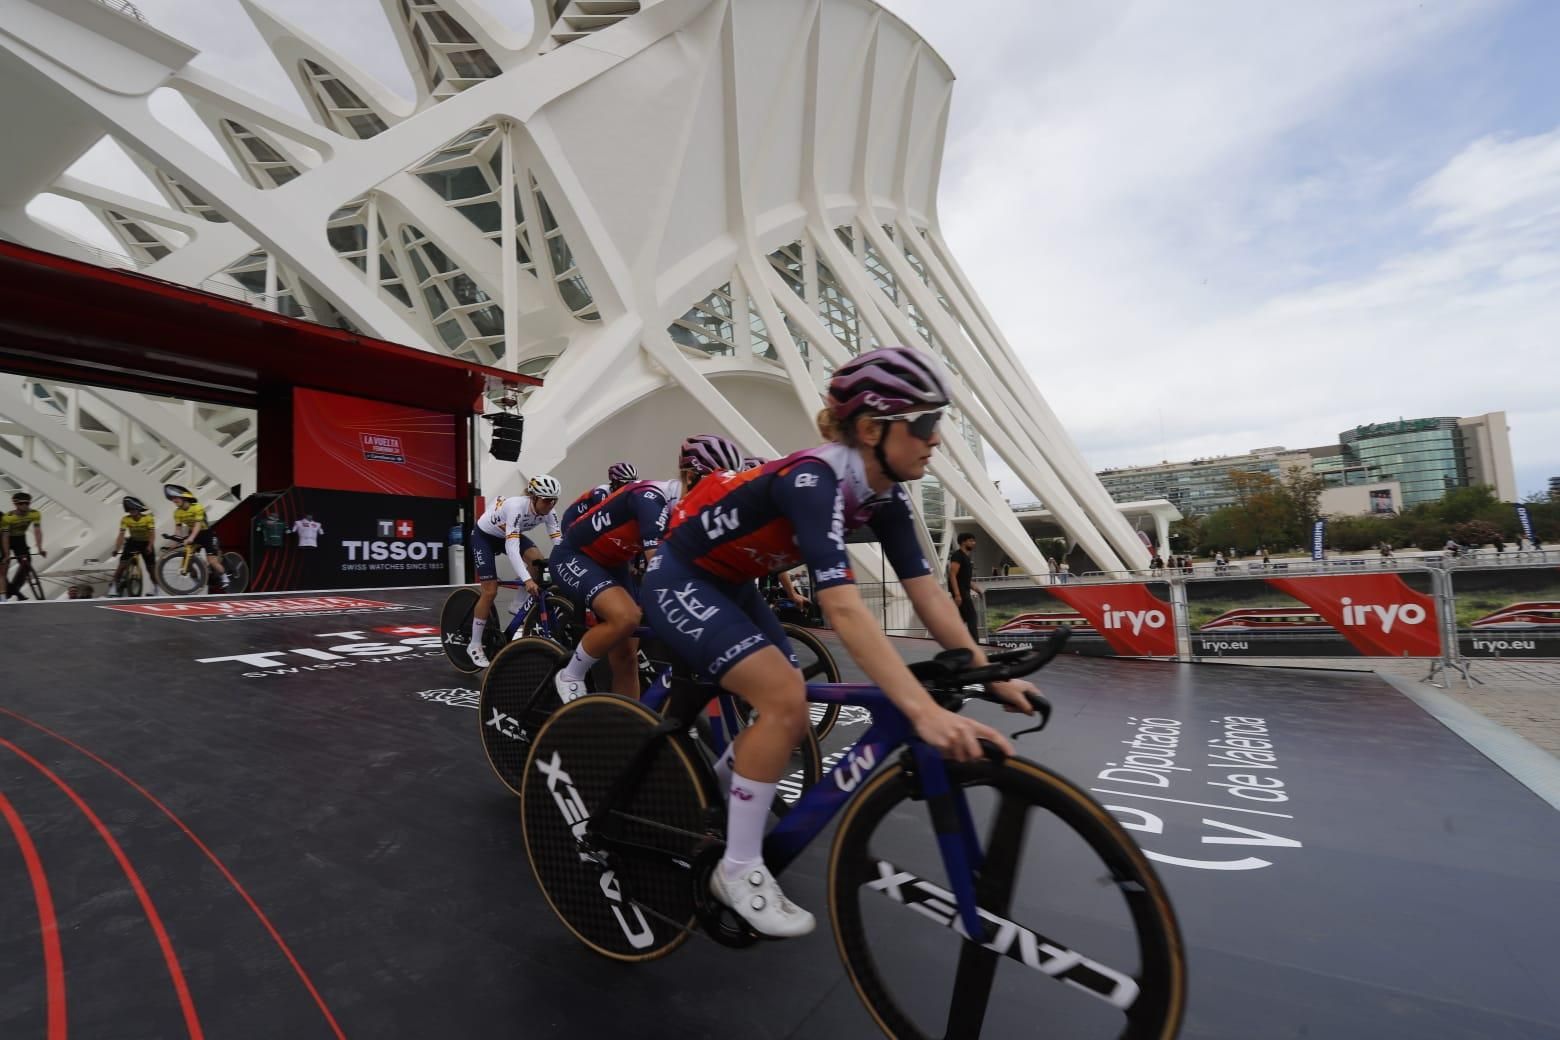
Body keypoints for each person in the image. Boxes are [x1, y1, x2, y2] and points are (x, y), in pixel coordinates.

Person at [642, 346, 1039, 938]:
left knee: (786, 695)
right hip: (682, 575)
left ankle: (726, 782)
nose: (937, 439)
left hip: (734, 582)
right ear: (873, 428)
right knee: (783, 698)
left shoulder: (885, 496)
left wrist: (991, 673)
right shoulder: (815, 478)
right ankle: (738, 867)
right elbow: (844, 609)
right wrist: (920, 709)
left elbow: (928, 595)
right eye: (926, 423)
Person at [551, 436, 741, 700]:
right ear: (688, 477)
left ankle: (627, 726)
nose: (718, 497)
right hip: (575, 556)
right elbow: (660, 565)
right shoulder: (651, 497)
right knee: (626, 616)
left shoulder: (692, 512)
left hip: (614, 564)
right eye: (713, 486)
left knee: (627, 657)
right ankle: (570, 674)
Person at [467, 474, 562, 668]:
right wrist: (527, 580)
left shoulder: (550, 513)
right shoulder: (516, 506)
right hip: (484, 536)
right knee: (490, 591)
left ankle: (518, 604)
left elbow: (560, 544)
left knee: (538, 562)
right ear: (534, 497)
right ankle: (474, 644)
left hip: (509, 535)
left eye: (554, 500)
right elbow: (511, 549)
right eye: (546, 500)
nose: (550, 505)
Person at [166, 485, 231, 592]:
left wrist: (191, 538)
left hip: (206, 534)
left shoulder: (197, 507)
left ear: (184, 498)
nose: (174, 500)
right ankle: (198, 582)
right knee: (187, 561)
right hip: (193, 534)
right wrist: (173, 543)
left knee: (212, 561)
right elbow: (178, 530)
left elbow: (198, 525)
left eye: (176, 498)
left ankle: (225, 577)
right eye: (172, 499)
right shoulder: (177, 513)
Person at [560, 462, 639, 534]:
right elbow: (606, 515)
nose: (629, 487)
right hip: (572, 520)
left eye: (632, 483)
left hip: (588, 520)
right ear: (615, 482)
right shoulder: (601, 491)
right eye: (625, 483)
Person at [108, 496, 157, 596]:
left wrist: (150, 546)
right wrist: (116, 549)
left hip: (146, 542)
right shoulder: (125, 519)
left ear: (139, 509)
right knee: (121, 566)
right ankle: (113, 587)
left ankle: (156, 587)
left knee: (151, 569)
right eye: (130, 510)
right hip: (133, 542)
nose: (132, 512)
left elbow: (152, 534)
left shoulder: (148, 518)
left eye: (134, 509)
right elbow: (121, 535)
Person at [3, 491, 46, 600]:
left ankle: (13, 589)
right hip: (5, 538)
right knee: (3, 567)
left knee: (26, 564)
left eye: (27, 503)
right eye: (22, 503)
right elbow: (5, 536)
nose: (25, 506)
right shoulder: (8, 517)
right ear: (16, 504)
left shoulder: (35, 514)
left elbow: (37, 531)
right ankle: (13, 591)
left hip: (20, 539)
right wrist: (7, 554)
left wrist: (40, 548)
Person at [947, 532, 979, 642]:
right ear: (963, 542)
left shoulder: (966, 557)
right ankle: (976, 644)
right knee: (972, 617)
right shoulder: (957, 555)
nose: (973, 543)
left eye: (973, 541)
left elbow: (964, 578)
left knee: (962, 618)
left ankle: (952, 640)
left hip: (964, 591)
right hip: (961, 593)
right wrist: (957, 594)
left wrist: (975, 588)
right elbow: (952, 574)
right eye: (971, 541)